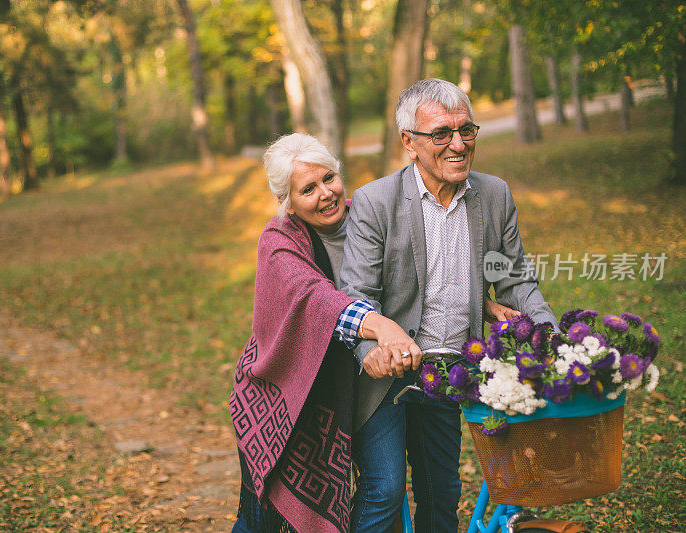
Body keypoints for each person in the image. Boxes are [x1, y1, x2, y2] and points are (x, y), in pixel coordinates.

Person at [229, 132, 515, 533]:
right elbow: (315, 297)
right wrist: (379, 325)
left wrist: (479, 303)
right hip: (292, 388)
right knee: (264, 515)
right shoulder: (279, 242)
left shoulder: (369, 213)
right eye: (307, 189)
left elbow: (421, 273)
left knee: (412, 487)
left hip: (382, 375)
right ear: (286, 202)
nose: (325, 194)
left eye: (328, 178)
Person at [339, 78, 559, 532]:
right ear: (409, 142)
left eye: (466, 130)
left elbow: (513, 279)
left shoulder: (494, 196)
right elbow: (358, 296)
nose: (458, 144)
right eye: (441, 134)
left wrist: (552, 338)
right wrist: (374, 351)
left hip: (452, 368)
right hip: (389, 374)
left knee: (442, 492)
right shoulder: (374, 202)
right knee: (384, 491)